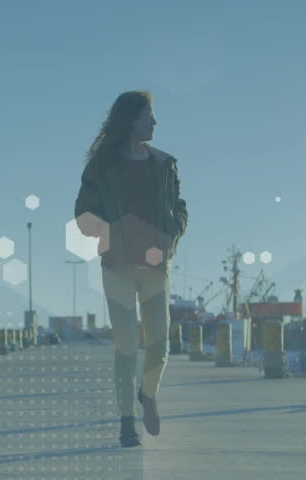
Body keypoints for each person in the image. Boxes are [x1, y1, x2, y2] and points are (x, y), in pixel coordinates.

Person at [74, 91, 188, 447]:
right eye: (148, 115)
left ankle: (147, 393)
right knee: (126, 345)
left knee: (159, 345)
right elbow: (82, 215)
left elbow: (180, 207)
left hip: (156, 267)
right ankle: (126, 421)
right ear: (130, 120)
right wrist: (111, 234)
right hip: (118, 267)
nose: (154, 122)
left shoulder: (165, 164)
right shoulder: (101, 167)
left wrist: (174, 229)